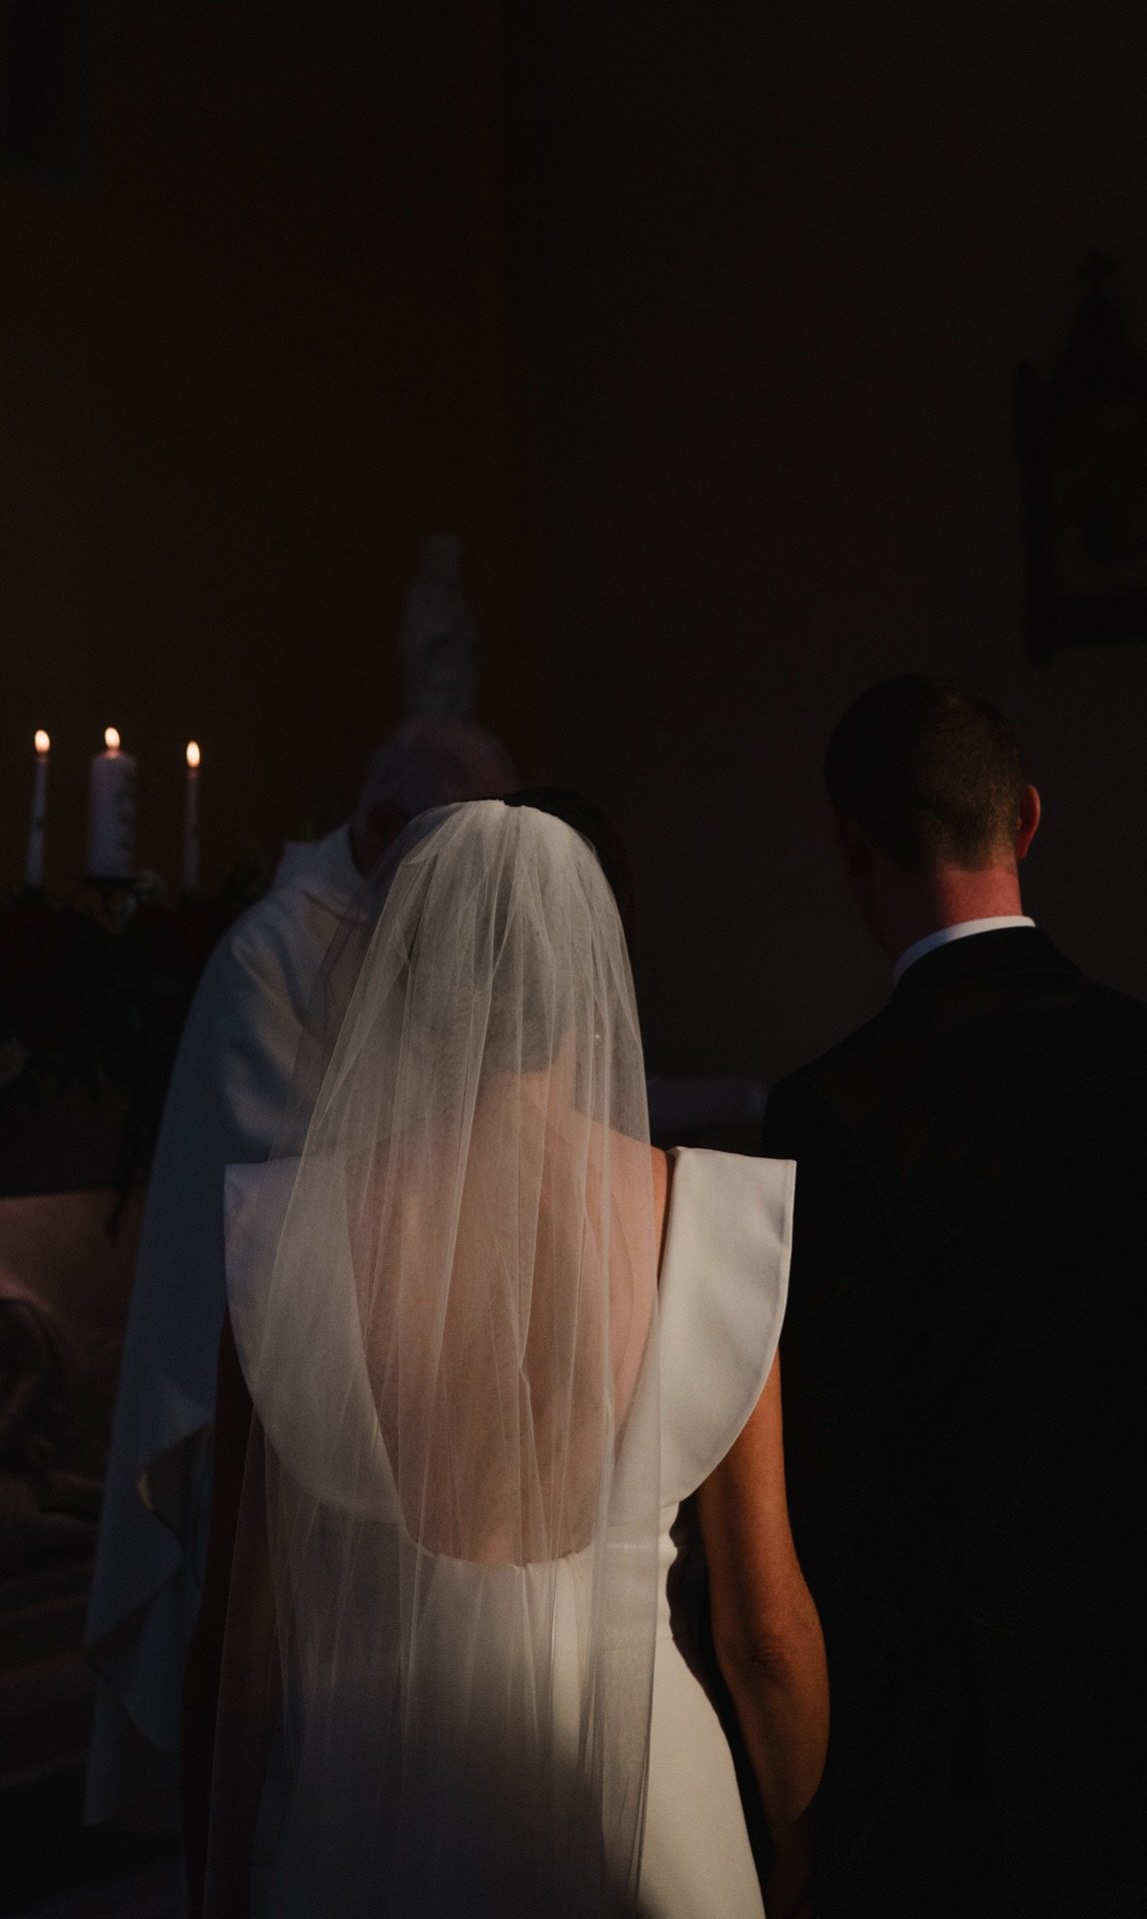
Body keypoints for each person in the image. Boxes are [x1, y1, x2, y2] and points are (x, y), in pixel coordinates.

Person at [182, 797, 827, 1919]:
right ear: (589, 986)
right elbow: (765, 1633)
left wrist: (215, 1881)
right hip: (642, 1808)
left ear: (405, 989)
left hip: (372, 1805)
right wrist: (800, 1851)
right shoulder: (711, 1223)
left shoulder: (286, 1239)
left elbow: (243, 1643)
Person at [763, 673, 1147, 1917]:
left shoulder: (840, 1115)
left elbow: (837, 1482)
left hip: (976, 1781)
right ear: (1027, 823)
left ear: (854, 847)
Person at [84, 718, 518, 1829]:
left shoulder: (429, 936)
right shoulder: (270, 950)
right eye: (443, 847)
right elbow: (273, 1167)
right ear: (375, 829)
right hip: (280, 1352)